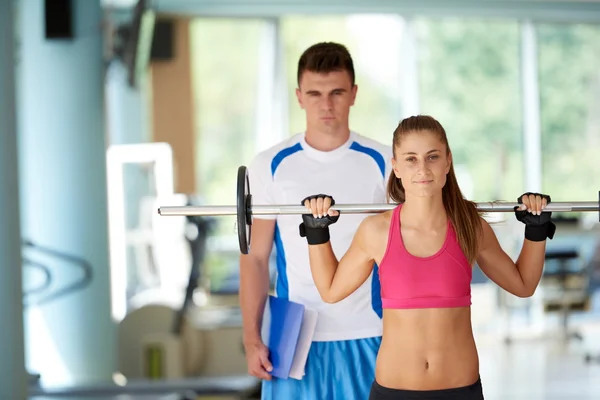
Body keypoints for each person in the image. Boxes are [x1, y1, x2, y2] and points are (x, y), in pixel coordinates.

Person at [299, 115, 556, 400]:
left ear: (447, 162)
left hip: (460, 391)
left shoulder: (469, 226)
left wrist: (536, 230)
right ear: (395, 166)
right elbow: (331, 290)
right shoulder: (377, 231)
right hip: (394, 391)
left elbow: (523, 285)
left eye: (432, 157)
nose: (422, 168)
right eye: (410, 159)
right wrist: (316, 233)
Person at [239, 41, 393, 400]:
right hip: (294, 337)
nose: (326, 104)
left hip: (371, 330)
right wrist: (251, 339)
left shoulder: (385, 161)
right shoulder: (270, 165)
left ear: (354, 94)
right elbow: (255, 258)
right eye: (315, 93)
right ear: (298, 96)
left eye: (337, 92)